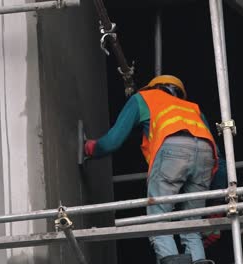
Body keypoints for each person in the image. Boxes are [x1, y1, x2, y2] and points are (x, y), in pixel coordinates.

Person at [85, 75, 225, 264]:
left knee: (159, 220)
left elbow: (112, 141)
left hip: (172, 149)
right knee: (192, 225)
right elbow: (220, 161)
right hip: (206, 156)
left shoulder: (143, 98)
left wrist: (89, 148)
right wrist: (217, 209)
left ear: (152, 87)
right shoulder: (193, 109)